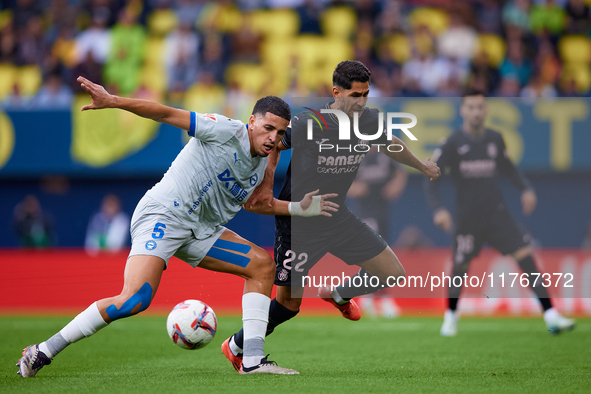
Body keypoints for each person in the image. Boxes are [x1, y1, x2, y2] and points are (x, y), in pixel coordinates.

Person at [16, 76, 340, 378]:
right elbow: (167, 114)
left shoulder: (260, 164)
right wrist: (113, 100)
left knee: (262, 266)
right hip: (163, 216)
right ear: (252, 121)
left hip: (201, 230)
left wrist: (300, 208)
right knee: (135, 300)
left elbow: (257, 203)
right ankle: (43, 350)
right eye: (269, 128)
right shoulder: (225, 129)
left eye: (280, 133)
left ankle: (253, 360)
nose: (274, 138)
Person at [222, 60, 441, 372]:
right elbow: (273, 146)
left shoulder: (368, 120)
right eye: (355, 95)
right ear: (336, 92)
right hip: (298, 223)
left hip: (337, 217)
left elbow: (389, 143)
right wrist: (267, 185)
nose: (361, 102)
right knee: (288, 305)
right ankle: (235, 346)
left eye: (365, 95)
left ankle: (338, 294)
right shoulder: (309, 123)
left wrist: (421, 165)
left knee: (392, 272)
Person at [424, 89, 575, 336]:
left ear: (486, 110)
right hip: (467, 218)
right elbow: (430, 178)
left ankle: (551, 314)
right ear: (463, 111)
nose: (476, 112)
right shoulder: (452, 143)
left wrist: (525, 188)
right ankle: (450, 317)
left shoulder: (495, 139)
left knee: (525, 255)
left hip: (497, 213)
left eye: (480, 107)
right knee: (460, 267)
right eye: (471, 107)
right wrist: (438, 209)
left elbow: (508, 168)